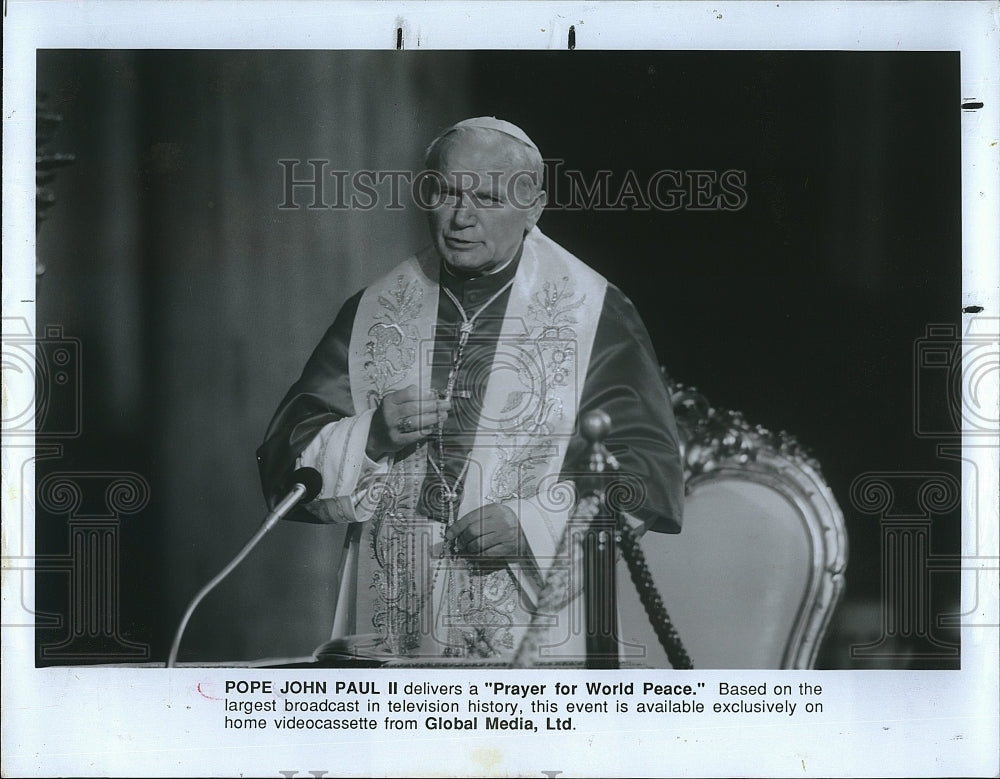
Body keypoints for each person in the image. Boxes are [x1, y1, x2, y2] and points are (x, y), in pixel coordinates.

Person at [257, 117, 684, 664]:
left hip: (534, 629)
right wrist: (372, 436)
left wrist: (532, 524)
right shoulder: (374, 308)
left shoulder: (593, 311)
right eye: (447, 192)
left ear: (533, 205)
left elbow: (645, 470)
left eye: (486, 196)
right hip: (391, 621)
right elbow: (286, 460)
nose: (462, 217)